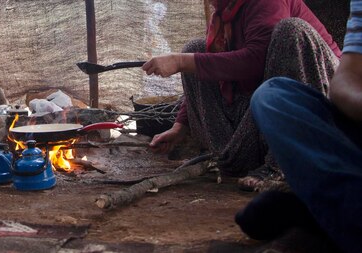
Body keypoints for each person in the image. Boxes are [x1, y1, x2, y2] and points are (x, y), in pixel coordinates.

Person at [143, 0, 342, 191]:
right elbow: (215, 69)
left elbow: (258, 59)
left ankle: (285, 164)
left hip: (323, 101)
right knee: (195, 49)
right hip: (267, 102)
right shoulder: (224, 13)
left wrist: (180, 62)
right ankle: (233, 157)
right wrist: (180, 127)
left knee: (291, 32)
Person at [236, 1, 362, 251]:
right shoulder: (227, 16)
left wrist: (183, 61)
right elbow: (347, 78)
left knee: (290, 30)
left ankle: (322, 213)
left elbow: (253, 59)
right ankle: (333, 210)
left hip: (320, 75)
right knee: (272, 96)